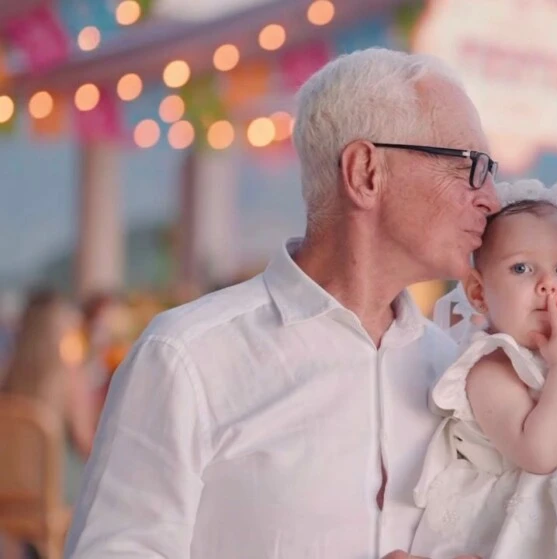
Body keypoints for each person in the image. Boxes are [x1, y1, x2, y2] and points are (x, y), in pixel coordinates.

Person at [64, 48, 499, 559]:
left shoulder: (455, 371)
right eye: (471, 166)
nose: (491, 197)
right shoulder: (188, 359)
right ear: (365, 172)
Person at [409, 179, 557, 559]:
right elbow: (541, 454)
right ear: (478, 293)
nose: (547, 284)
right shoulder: (491, 368)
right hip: (511, 523)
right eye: (522, 268)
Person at [2, 290, 98, 506]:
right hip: (55, 488)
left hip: (12, 487)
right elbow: (86, 443)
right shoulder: (69, 376)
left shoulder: (8, 373)